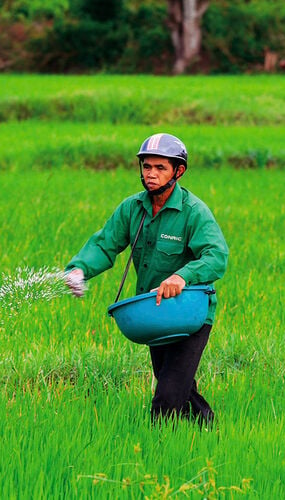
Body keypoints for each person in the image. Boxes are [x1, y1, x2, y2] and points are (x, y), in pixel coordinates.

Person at [63, 133, 229, 426]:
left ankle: (156, 445)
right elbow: (105, 244)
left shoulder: (193, 212)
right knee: (179, 387)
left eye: (160, 168)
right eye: (146, 167)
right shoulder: (132, 209)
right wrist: (79, 270)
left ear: (178, 171)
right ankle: (208, 430)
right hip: (155, 313)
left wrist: (182, 276)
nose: (151, 174)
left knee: (167, 397)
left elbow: (216, 257)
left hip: (190, 314)